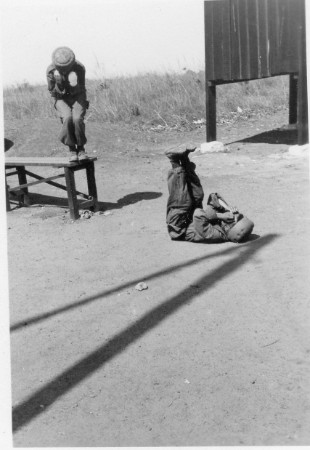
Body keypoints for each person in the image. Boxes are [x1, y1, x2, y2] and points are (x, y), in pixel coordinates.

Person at [165, 144, 254, 243]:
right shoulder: (222, 224)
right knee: (198, 194)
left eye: (233, 220)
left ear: (231, 229)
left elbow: (198, 214)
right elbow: (214, 197)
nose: (231, 218)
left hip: (179, 227)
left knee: (184, 202)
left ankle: (174, 161)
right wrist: (228, 209)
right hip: (190, 218)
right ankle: (184, 159)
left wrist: (220, 216)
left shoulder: (216, 235)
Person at [46, 47, 89, 162]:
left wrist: (74, 83)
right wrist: (59, 84)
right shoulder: (51, 70)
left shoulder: (79, 68)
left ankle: (81, 149)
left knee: (77, 118)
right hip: (60, 98)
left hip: (78, 95)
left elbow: (82, 88)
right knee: (67, 118)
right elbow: (52, 92)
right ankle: (72, 150)